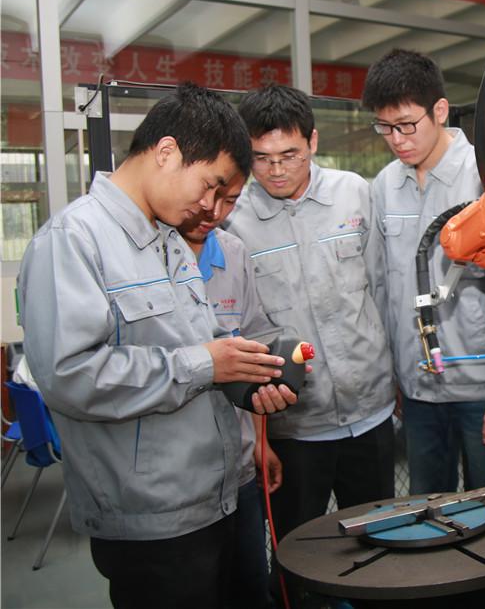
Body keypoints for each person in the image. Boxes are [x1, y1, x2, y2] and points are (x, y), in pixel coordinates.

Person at [16, 82, 297, 609]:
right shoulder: (73, 241)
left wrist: (246, 378)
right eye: (209, 185)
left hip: (218, 497)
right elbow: (69, 377)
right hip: (153, 518)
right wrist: (205, 365)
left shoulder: (168, 240)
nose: (210, 207)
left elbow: (198, 345)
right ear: (167, 152)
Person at [224, 85, 396, 549]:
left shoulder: (353, 193)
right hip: (295, 429)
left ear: (313, 142)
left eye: (289, 155)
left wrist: (395, 376)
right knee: (299, 555)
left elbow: (381, 290)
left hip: (371, 414)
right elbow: (236, 333)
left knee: (383, 548)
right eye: (261, 158)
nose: (276, 170)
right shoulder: (233, 222)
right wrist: (257, 438)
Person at [363, 48, 485, 495]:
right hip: (418, 392)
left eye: (406, 125)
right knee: (428, 511)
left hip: (480, 390)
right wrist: (392, 376)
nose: (396, 139)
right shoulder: (385, 186)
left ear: (439, 110)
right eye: (385, 127)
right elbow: (383, 288)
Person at [177, 172, 276, 609]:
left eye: (230, 200)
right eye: (206, 197)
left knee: (251, 587)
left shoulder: (234, 253)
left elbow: (254, 350)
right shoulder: (148, 258)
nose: (214, 212)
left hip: (239, 472)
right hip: (180, 486)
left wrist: (260, 442)